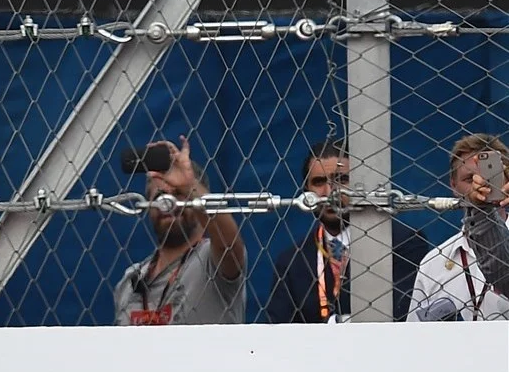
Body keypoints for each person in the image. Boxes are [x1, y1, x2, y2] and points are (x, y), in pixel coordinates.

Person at [264, 139, 427, 323]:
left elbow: (408, 317)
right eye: (319, 182)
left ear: (361, 184)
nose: (329, 192)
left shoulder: (404, 243)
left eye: (341, 179)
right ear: (306, 191)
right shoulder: (292, 261)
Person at [110, 137, 246, 326]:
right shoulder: (130, 282)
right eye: (159, 197)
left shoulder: (211, 261)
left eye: (178, 195)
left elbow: (229, 243)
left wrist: (189, 185)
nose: (168, 205)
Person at [408, 134, 509, 322]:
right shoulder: (433, 263)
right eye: (470, 179)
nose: (481, 186)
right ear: (453, 185)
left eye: (489, 177)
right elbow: (415, 335)